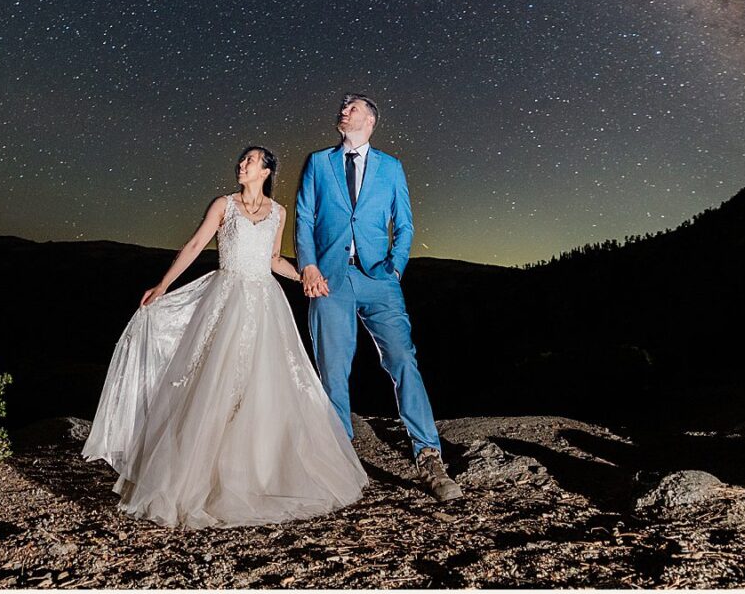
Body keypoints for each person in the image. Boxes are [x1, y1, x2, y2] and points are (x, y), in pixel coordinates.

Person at [82, 146, 368, 528]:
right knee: (213, 383)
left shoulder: (278, 212)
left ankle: (255, 475)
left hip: (265, 303)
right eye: (241, 160)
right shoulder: (224, 204)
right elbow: (196, 244)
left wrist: (303, 276)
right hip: (226, 297)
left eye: (250, 161)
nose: (241, 164)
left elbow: (271, 259)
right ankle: (198, 479)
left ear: (265, 171)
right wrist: (163, 284)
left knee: (262, 386)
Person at [295, 93, 462, 502]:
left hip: (378, 279)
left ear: (370, 120)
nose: (343, 110)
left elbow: (404, 224)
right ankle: (340, 461)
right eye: (342, 106)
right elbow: (304, 215)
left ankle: (428, 456)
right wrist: (308, 265)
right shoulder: (319, 162)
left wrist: (397, 266)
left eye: (352, 107)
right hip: (329, 278)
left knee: (403, 360)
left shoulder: (391, 167)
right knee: (333, 369)